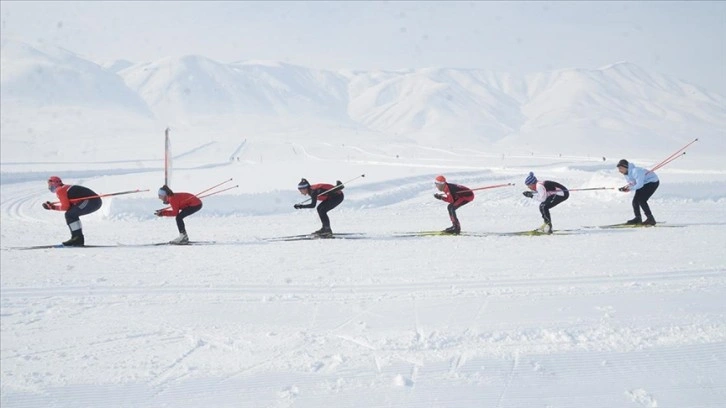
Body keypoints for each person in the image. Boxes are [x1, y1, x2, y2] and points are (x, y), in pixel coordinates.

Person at [42, 176, 102, 246]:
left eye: (50, 184)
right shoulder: (63, 188)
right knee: (71, 214)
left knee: (70, 214)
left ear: (54, 183)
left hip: (92, 201)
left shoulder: (60, 190)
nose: (49, 187)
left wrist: (53, 207)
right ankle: (77, 238)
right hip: (93, 201)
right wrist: (52, 207)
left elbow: (65, 207)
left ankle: (77, 238)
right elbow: (69, 205)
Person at [616, 159, 659, 225]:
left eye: (620, 168)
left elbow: (639, 185)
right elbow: (633, 183)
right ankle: (638, 218)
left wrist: (630, 188)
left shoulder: (636, 171)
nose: (619, 171)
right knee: (635, 201)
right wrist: (626, 188)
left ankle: (650, 219)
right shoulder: (626, 174)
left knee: (642, 200)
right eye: (619, 169)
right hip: (644, 184)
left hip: (652, 182)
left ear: (625, 167)